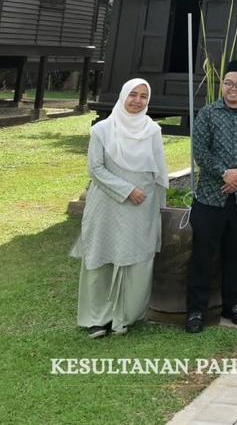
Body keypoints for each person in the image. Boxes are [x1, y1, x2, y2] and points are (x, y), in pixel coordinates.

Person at [72, 78, 169, 338]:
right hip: (107, 202)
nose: (137, 101)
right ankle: (97, 319)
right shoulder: (102, 130)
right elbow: (95, 168)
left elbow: (159, 172)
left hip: (142, 205)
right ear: (123, 96)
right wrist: (127, 190)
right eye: (133, 95)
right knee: (101, 255)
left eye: (143, 96)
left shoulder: (152, 131)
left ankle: (124, 316)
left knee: (136, 258)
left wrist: (159, 206)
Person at [186, 61, 237, 333]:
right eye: (229, 83)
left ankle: (233, 304)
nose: (234, 88)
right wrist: (224, 173)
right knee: (203, 254)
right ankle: (196, 309)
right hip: (211, 198)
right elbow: (200, 151)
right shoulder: (208, 113)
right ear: (222, 85)